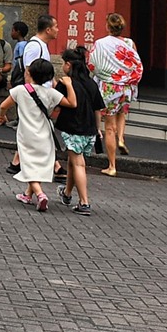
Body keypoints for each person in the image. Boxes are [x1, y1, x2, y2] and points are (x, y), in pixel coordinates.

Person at [0, 57, 74, 212]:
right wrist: (69, 85)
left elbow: (3, 106)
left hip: (26, 134)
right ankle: (28, 195)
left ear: (30, 73)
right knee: (37, 165)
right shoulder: (52, 93)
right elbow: (72, 103)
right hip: (46, 134)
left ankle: (40, 195)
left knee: (28, 165)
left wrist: (1, 115)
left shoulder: (21, 90)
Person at [90, 14, 144, 174]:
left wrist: (104, 74)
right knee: (122, 113)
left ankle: (112, 166)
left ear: (107, 26)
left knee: (109, 127)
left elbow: (92, 65)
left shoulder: (100, 43)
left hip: (109, 87)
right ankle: (121, 138)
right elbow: (134, 63)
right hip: (126, 88)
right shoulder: (129, 43)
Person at [56, 47, 106, 215]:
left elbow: (56, 102)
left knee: (78, 163)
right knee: (73, 161)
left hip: (73, 128)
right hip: (89, 129)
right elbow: (98, 109)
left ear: (68, 65)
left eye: (64, 63)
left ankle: (84, 202)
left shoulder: (67, 83)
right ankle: (67, 194)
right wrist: (98, 129)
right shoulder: (91, 84)